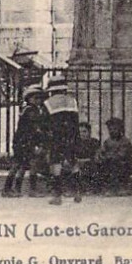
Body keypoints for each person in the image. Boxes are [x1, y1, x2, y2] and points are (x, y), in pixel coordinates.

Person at [1, 84, 51, 197]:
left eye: (40, 98)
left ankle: (18, 189)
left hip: (28, 141)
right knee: (19, 165)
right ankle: (8, 189)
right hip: (24, 141)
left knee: (26, 165)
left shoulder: (35, 109)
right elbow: (36, 127)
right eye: (35, 98)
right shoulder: (30, 110)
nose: (38, 100)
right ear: (29, 98)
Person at [45, 73, 82, 205]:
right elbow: (76, 121)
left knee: (56, 164)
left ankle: (57, 196)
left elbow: (46, 123)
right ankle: (78, 192)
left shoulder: (48, 103)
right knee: (73, 163)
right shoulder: (72, 101)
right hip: (71, 136)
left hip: (56, 137)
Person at [95, 117, 132, 194]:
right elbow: (102, 150)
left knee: (115, 164)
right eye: (110, 129)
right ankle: (104, 187)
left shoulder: (125, 141)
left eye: (115, 129)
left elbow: (121, 155)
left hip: (123, 164)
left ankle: (119, 187)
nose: (112, 131)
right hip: (110, 162)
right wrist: (99, 155)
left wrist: (107, 156)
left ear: (120, 129)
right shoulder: (107, 141)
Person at [75, 122, 101, 192]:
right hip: (78, 163)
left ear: (89, 132)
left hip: (90, 163)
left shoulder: (94, 142)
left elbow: (96, 156)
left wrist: (84, 161)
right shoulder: (76, 143)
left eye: (84, 131)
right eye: (80, 132)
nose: (82, 134)